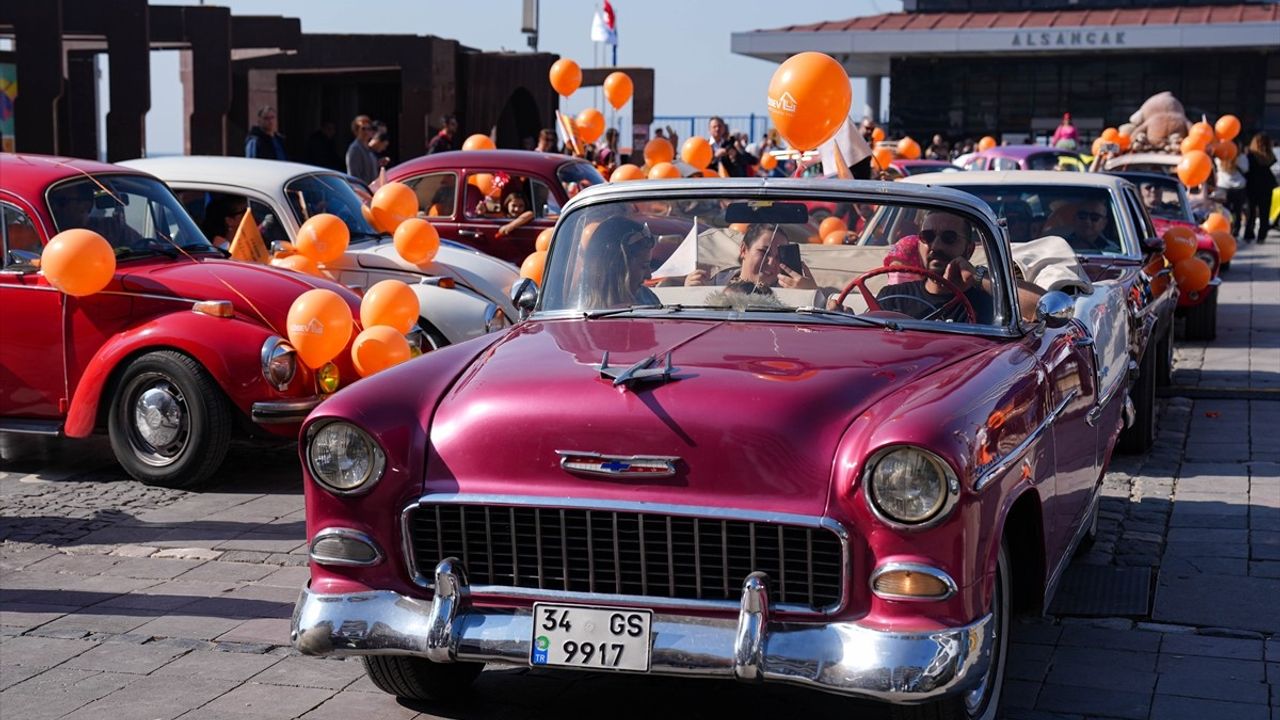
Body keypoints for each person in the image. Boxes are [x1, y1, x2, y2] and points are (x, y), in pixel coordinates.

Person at [874, 211, 994, 324]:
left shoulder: (988, 303)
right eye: (927, 236)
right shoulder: (893, 296)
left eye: (949, 238)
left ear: (969, 250)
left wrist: (977, 276)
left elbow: (1011, 300)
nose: (936, 246)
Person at [685, 223, 816, 290]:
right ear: (743, 250)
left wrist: (811, 294)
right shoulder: (712, 283)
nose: (771, 262)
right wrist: (689, 292)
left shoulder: (790, 291)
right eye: (764, 252)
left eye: (779, 256)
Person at [579, 216, 662, 308]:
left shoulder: (649, 299)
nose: (649, 276)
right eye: (643, 266)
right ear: (617, 267)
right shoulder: (575, 308)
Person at [1242, 132, 1277, 243]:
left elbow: (1246, 170)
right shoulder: (1270, 156)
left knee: (1251, 211)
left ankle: (1249, 233)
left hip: (1252, 186)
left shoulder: (1251, 155)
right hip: (1267, 186)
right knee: (1264, 212)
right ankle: (1262, 235)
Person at [1216, 151, 1247, 237]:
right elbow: (1246, 169)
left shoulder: (1219, 157)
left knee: (1224, 211)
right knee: (1238, 211)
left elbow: (1217, 167)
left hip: (1223, 186)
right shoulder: (1242, 158)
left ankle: (1226, 229)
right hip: (1239, 186)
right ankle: (1236, 230)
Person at [346, 115, 379, 184]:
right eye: (363, 129)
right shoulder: (355, 149)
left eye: (369, 129)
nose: (366, 132)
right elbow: (354, 176)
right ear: (356, 131)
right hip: (362, 190)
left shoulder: (369, 148)